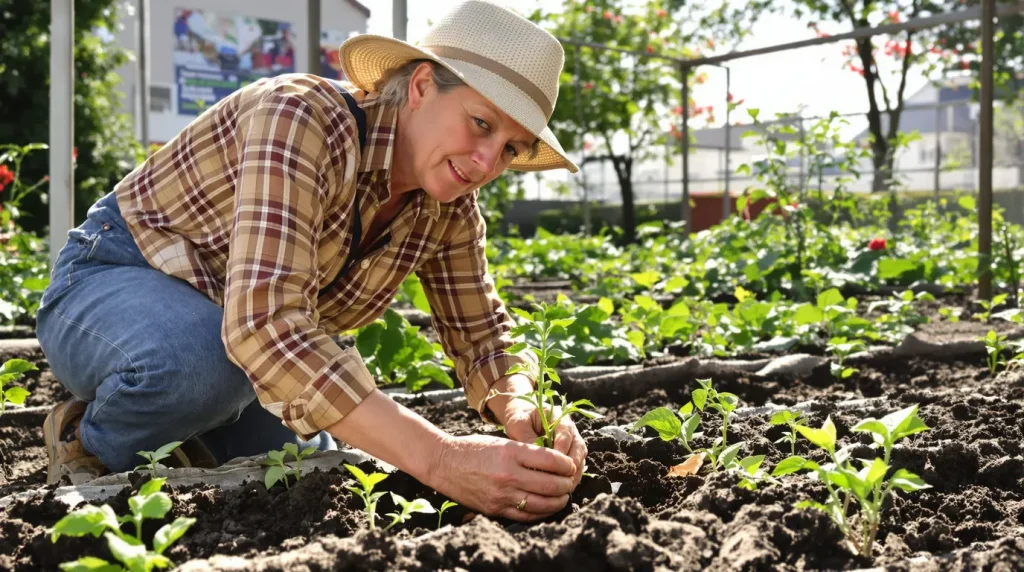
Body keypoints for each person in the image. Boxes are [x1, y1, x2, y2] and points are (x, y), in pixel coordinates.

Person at [38, 0, 586, 522]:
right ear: (421, 86)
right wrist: (441, 459)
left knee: (303, 469)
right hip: (113, 279)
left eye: (510, 148)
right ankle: (88, 436)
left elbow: (482, 336)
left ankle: (185, 431)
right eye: (482, 123)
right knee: (202, 365)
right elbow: (263, 326)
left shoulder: (449, 208)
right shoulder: (302, 117)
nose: (487, 162)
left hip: (229, 348)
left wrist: (523, 406)